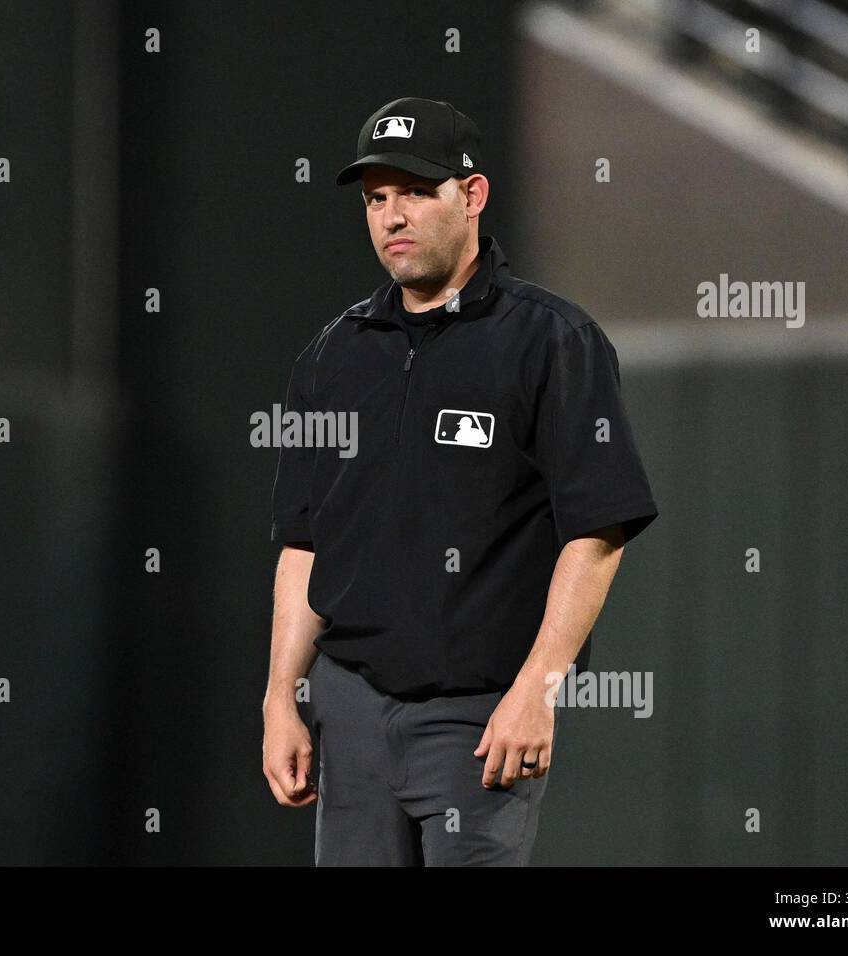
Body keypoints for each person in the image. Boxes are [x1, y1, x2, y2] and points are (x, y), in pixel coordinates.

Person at [262, 97, 659, 866]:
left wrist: (537, 689)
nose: (392, 216)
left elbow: (597, 530)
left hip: (481, 718)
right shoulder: (331, 355)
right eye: (377, 198)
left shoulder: (552, 340)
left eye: (415, 190)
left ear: (471, 196)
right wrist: (283, 695)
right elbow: (304, 543)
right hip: (351, 707)